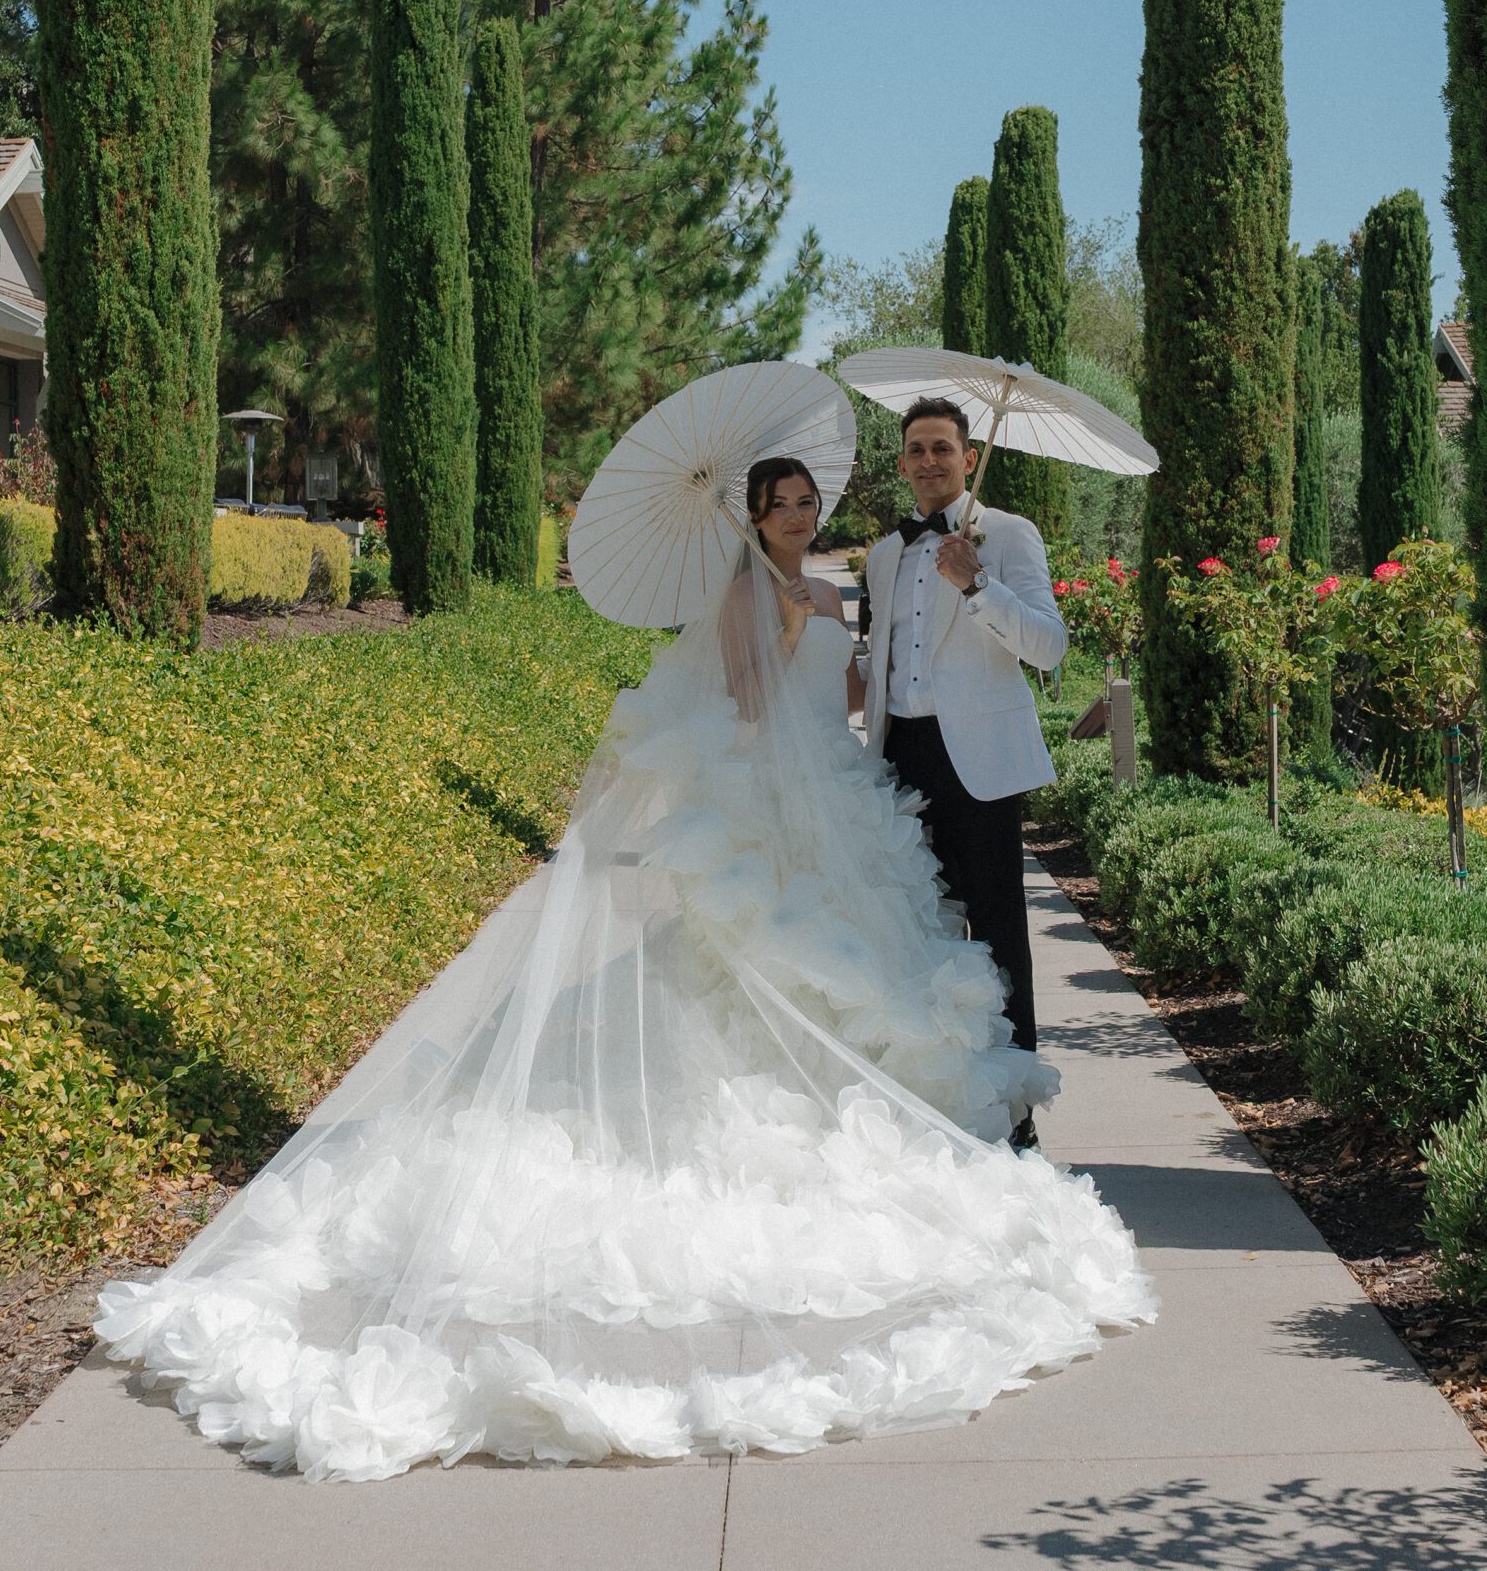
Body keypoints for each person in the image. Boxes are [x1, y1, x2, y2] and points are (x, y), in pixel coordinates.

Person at [93, 450, 1151, 1481]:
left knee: (889, 964)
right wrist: (784, 639)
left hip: (848, 792)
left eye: (805, 499)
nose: (796, 513)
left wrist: (844, 677)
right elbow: (747, 709)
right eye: (780, 502)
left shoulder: (848, 579)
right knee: (764, 973)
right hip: (775, 799)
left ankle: (950, 1114)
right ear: (752, 515)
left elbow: (860, 699)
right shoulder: (755, 597)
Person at [861, 400, 1066, 1151]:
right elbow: (881, 664)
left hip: (976, 762)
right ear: (901, 462)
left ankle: (1014, 1113)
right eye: (914, 450)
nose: (927, 461)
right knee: (920, 934)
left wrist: (978, 586)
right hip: (902, 758)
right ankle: (944, 1098)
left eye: (941, 448)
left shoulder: (1008, 536)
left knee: (997, 936)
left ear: (968, 457)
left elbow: (1047, 647)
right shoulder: (885, 555)